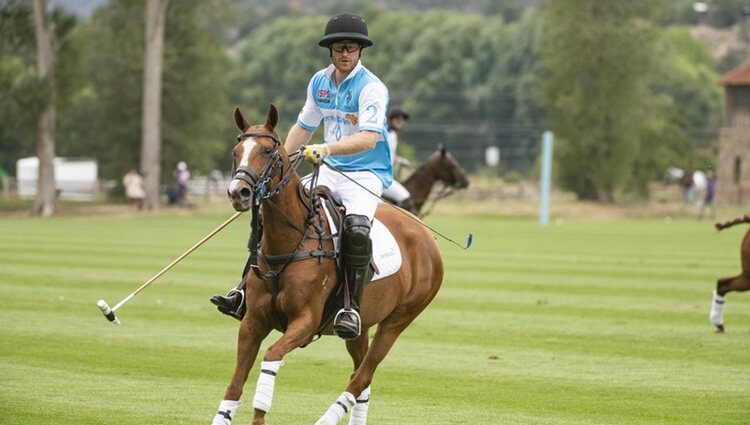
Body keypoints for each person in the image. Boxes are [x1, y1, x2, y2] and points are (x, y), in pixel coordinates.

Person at [211, 12, 390, 340]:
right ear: (330, 51)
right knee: (274, 209)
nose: (345, 54)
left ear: (360, 51)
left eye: (351, 48)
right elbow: (304, 127)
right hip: (329, 169)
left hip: (366, 173)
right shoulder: (319, 82)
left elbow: (370, 138)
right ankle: (242, 292)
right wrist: (282, 162)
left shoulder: (372, 88)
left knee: (357, 229)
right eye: (339, 48)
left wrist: (328, 149)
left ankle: (350, 307)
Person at [381, 107, 416, 212]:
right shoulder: (389, 135)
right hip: (382, 176)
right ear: (392, 120)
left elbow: (389, 154)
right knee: (406, 199)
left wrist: (399, 160)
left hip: (384, 174)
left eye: (402, 120)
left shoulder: (392, 134)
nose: (401, 122)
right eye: (398, 119)